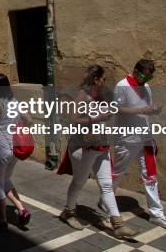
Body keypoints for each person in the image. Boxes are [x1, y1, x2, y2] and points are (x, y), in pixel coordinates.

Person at [58, 65, 137, 239]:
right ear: (96, 80)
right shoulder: (82, 95)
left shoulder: (100, 95)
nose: (105, 82)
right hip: (84, 147)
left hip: (101, 145)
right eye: (103, 79)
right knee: (79, 182)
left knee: (107, 185)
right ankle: (68, 213)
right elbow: (74, 120)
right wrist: (98, 117)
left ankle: (118, 225)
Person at [111, 59, 166, 229]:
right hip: (126, 139)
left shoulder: (146, 87)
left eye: (149, 78)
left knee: (150, 176)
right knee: (116, 172)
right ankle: (107, 200)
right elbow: (116, 109)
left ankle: (157, 214)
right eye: (143, 76)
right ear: (135, 70)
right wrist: (141, 110)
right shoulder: (122, 86)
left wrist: (153, 109)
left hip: (145, 138)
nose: (145, 80)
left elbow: (146, 107)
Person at [0, 73, 30, 229]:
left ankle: (2, 219)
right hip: (15, 148)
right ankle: (21, 208)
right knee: (5, 179)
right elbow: (28, 119)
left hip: (2, 148)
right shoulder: (15, 102)